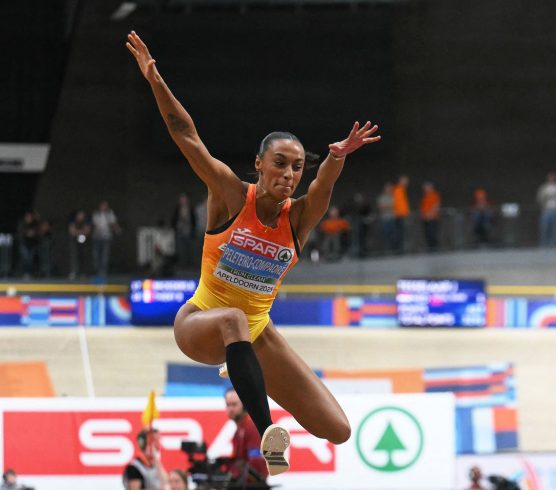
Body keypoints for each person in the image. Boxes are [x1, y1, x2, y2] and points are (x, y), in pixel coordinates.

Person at [126, 31, 380, 476]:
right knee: (233, 320)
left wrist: (337, 157)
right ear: (259, 164)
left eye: (298, 166)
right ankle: (267, 432)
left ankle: (241, 364)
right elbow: (186, 134)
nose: (289, 174)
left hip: (254, 333)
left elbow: (325, 185)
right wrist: (155, 79)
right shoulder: (228, 194)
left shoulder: (298, 219)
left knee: (337, 429)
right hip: (199, 324)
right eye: (280, 163)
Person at [224, 388, 268, 484]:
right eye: (228, 405)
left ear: (244, 405)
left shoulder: (252, 428)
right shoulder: (239, 431)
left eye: (234, 404)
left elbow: (256, 464)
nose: (230, 409)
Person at [92, 200, 121, 278]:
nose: (104, 207)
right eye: (103, 206)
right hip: (97, 237)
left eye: (106, 206)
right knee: (96, 255)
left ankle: (103, 272)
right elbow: (94, 225)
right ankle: (97, 271)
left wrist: (117, 229)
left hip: (107, 237)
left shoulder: (110, 214)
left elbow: (114, 224)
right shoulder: (96, 214)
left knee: (105, 255)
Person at [536, 172, 556, 247]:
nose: (552, 179)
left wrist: (555, 197)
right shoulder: (544, 188)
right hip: (546, 210)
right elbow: (539, 198)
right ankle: (544, 244)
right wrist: (547, 197)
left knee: (555, 228)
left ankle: (554, 244)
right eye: (550, 177)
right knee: (544, 228)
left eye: (553, 177)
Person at [172, 192, 197, 271]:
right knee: (180, 249)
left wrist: (193, 229)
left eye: (184, 199)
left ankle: (190, 265)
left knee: (189, 249)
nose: (183, 200)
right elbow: (174, 219)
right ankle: (181, 265)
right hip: (180, 232)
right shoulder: (177, 208)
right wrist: (176, 227)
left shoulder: (190, 208)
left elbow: (193, 220)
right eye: (181, 199)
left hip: (188, 232)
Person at [68, 210, 92, 279]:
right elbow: (71, 231)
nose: (81, 217)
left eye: (82, 216)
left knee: (83, 256)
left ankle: (83, 272)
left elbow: (87, 231)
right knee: (74, 256)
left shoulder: (86, 222)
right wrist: (81, 232)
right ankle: (74, 272)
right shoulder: (73, 222)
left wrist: (78, 232)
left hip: (84, 241)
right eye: (79, 216)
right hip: (74, 241)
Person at [419, 182, 441, 251]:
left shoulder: (435, 195)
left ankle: (435, 249)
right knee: (427, 234)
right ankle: (430, 248)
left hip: (433, 218)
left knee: (433, 234)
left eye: (427, 187)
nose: (425, 189)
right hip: (425, 218)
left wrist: (430, 214)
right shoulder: (425, 196)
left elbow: (436, 206)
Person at [392, 175, 410, 253]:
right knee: (398, 233)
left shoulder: (402, 190)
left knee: (401, 233)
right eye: (405, 181)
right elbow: (397, 203)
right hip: (398, 215)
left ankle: (400, 249)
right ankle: (398, 250)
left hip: (401, 215)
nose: (406, 183)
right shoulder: (397, 190)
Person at [376, 182, 395, 253]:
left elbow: (394, 206)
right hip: (385, 218)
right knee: (386, 234)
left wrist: (387, 206)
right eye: (387, 188)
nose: (389, 190)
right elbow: (381, 207)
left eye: (390, 188)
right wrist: (389, 206)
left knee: (393, 234)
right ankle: (388, 250)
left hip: (392, 217)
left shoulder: (393, 196)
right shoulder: (381, 197)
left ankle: (394, 250)